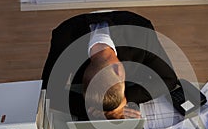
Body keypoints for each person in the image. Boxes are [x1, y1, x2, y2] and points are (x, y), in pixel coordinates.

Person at [42, 11, 178, 120]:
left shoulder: (141, 32)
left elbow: (168, 78)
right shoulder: (64, 39)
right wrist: (93, 110)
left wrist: (124, 101)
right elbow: (48, 91)